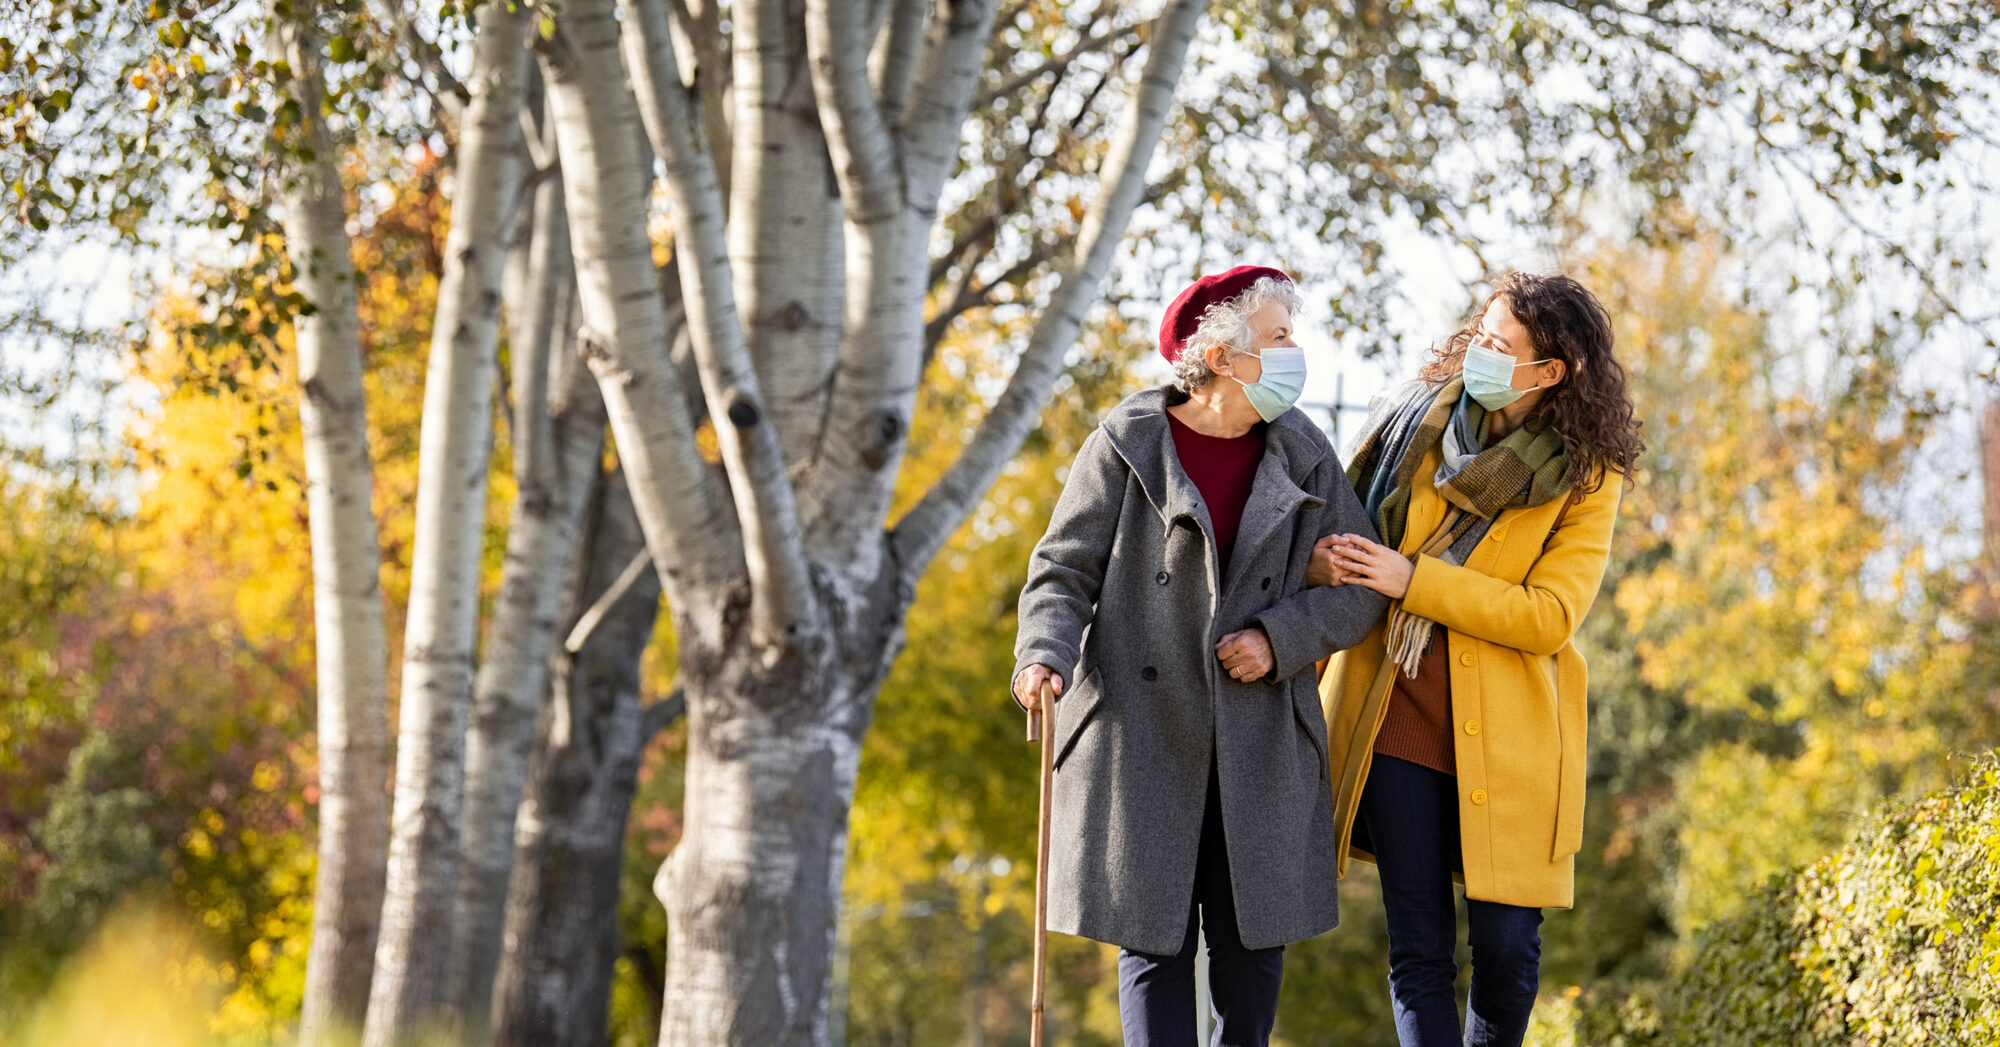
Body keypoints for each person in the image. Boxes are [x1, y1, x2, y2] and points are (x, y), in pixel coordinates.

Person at [1011, 266, 1388, 1046]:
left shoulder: (1306, 453)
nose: (1295, 351)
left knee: (1252, 966)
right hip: (1142, 735)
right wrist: (1041, 655)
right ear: (1221, 356)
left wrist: (1279, 638)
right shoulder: (1126, 440)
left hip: (1260, 738)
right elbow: (1062, 569)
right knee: (1153, 947)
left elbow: (1360, 587)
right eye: (1278, 336)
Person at [1309, 271, 1644, 1047]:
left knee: (1507, 951)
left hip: (1510, 731)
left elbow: (1550, 616)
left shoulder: (1589, 476)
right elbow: (1347, 534)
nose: (1478, 352)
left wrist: (1414, 580)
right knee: (1417, 947)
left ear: (1550, 373)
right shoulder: (1415, 424)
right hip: (1391, 707)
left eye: (1500, 346)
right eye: (1480, 333)